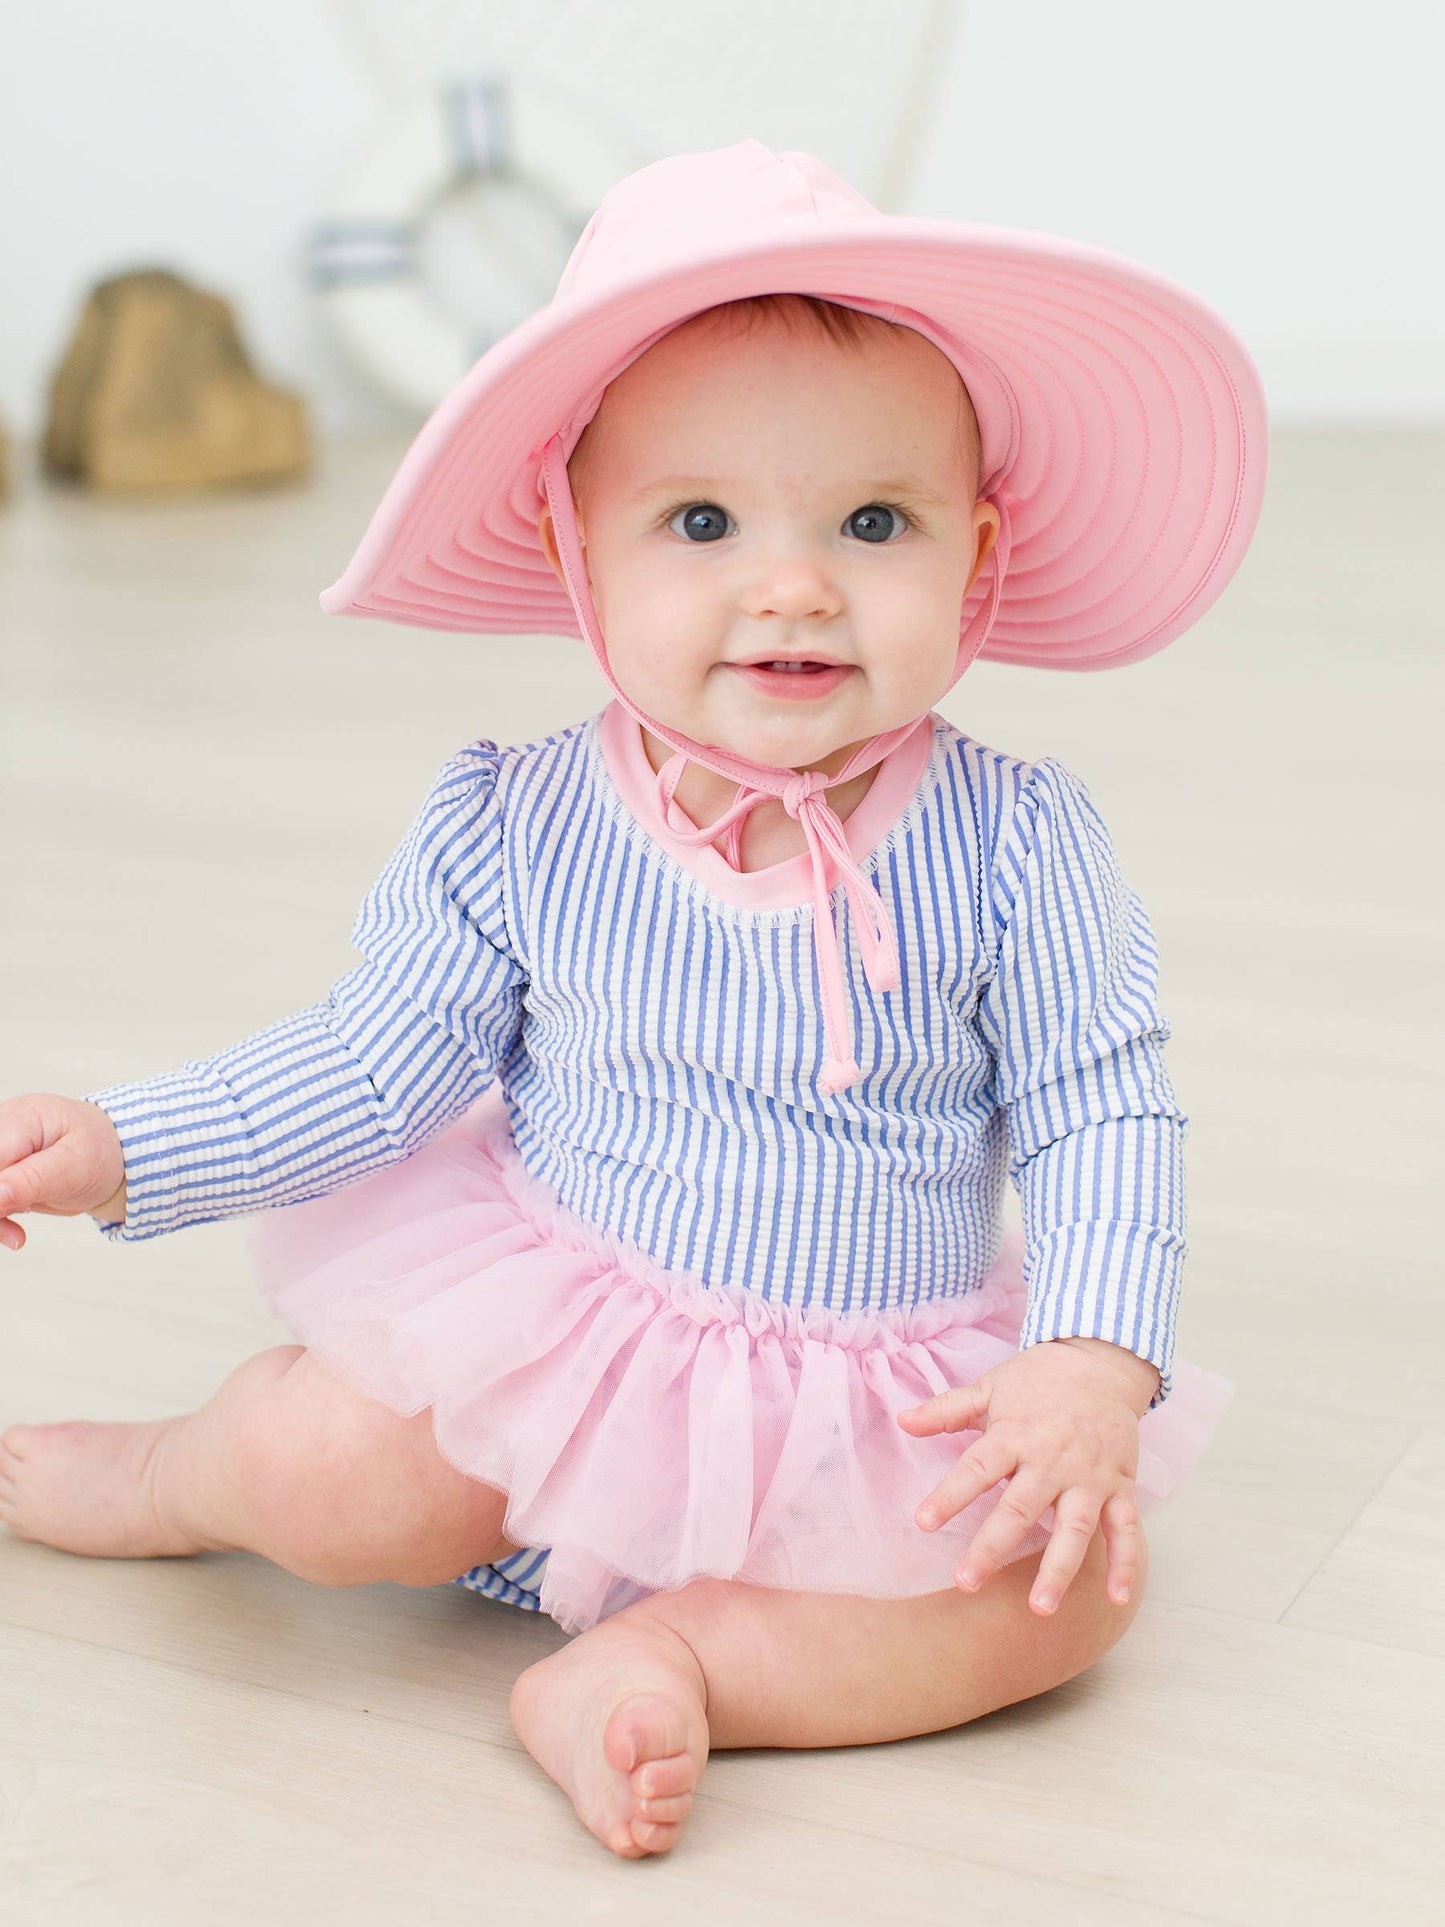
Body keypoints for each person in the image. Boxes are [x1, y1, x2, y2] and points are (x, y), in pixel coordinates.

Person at [0, 140, 1266, 1861]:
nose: (794, 584)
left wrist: (1091, 1365)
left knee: (1059, 1598)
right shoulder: (517, 822)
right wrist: (119, 1146)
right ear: (575, 553)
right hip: (560, 1347)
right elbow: (374, 1063)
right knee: (326, 1467)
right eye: (699, 523)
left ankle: (675, 1660)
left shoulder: (1019, 843)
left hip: (869, 1388)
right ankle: (173, 1480)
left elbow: (1099, 1104)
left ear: (976, 562)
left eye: (871, 523)